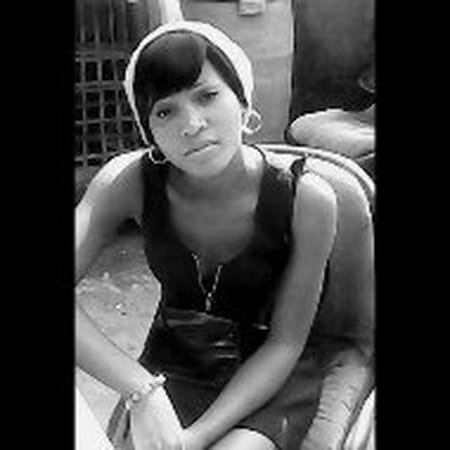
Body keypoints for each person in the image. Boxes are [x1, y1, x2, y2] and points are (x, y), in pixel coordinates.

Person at [76, 20, 374, 450]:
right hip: (171, 373)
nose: (192, 124)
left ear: (244, 102)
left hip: (270, 383)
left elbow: (284, 344)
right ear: (148, 131)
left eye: (207, 96)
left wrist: (193, 439)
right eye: (165, 111)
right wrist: (142, 390)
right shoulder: (128, 181)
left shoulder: (308, 199)